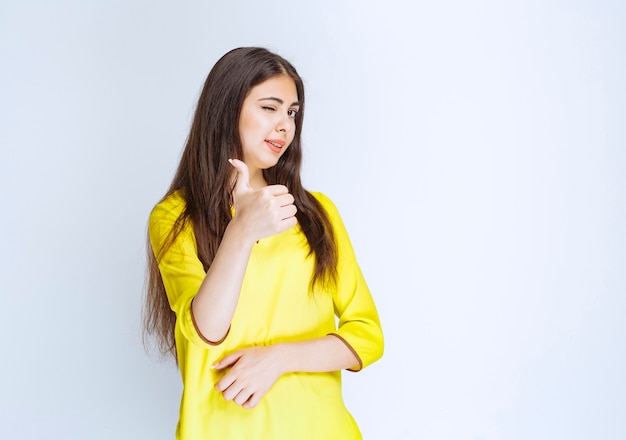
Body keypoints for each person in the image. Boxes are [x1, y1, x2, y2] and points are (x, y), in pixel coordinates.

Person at [144, 47, 383, 439]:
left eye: (291, 112)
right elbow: (205, 329)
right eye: (270, 107)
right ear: (227, 110)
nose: (285, 125)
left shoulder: (316, 212)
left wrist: (280, 359)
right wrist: (241, 231)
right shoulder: (176, 216)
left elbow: (368, 335)